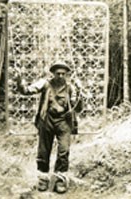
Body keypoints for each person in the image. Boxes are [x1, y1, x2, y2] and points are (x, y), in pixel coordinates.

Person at [15, 62, 83, 193]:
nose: (61, 76)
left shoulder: (70, 87)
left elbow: (78, 108)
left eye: (63, 74)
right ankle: (43, 178)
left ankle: (60, 179)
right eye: (58, 73)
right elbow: (27, 91)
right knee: (44, 150)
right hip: (47, 119)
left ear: (66, 74)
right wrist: (19, 80)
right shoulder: (45, 83)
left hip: (64, 121)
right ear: (53, 73)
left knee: (64, 150)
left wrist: (80, 91)